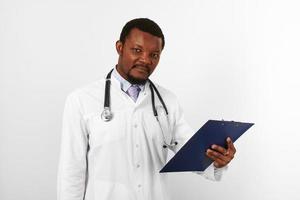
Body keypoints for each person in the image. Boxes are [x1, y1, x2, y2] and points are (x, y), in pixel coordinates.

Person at [57, 18, 236, 200]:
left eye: (154, 55)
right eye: (137, 50)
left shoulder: (168, 102)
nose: (145, 60)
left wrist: (217, 160)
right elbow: (71, 172)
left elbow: (193, 154)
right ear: (119, 47)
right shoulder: (81, 100)